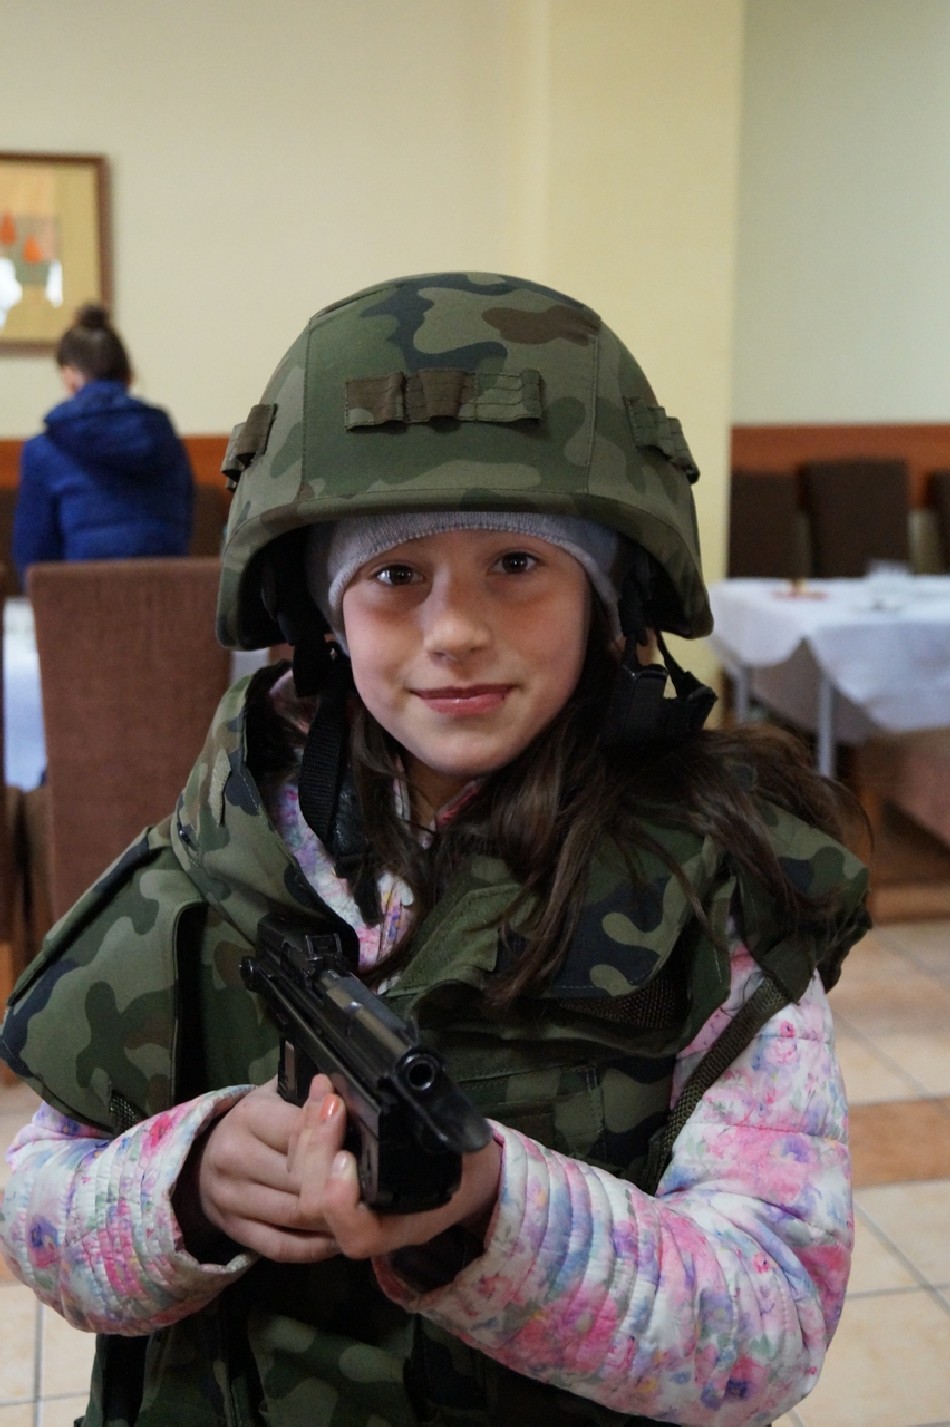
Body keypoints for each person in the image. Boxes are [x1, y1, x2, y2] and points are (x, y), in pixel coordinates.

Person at [0, 272, 870, 1427]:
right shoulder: (213, 861)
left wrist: (497, 1212)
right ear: (324, 614)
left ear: (605, 596)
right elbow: (37, 1214)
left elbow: (769, 1323)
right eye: (393, 574)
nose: (453, 630)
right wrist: (188, 1181)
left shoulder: (709, 883)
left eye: (516, 563)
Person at [12, 303, 193, 585]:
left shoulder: (44, 449)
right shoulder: (165, 439)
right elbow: (183, 529)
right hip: (166, 600)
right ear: (128, 376)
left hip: (83, 602)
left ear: (70, 377)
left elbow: (34, 558)